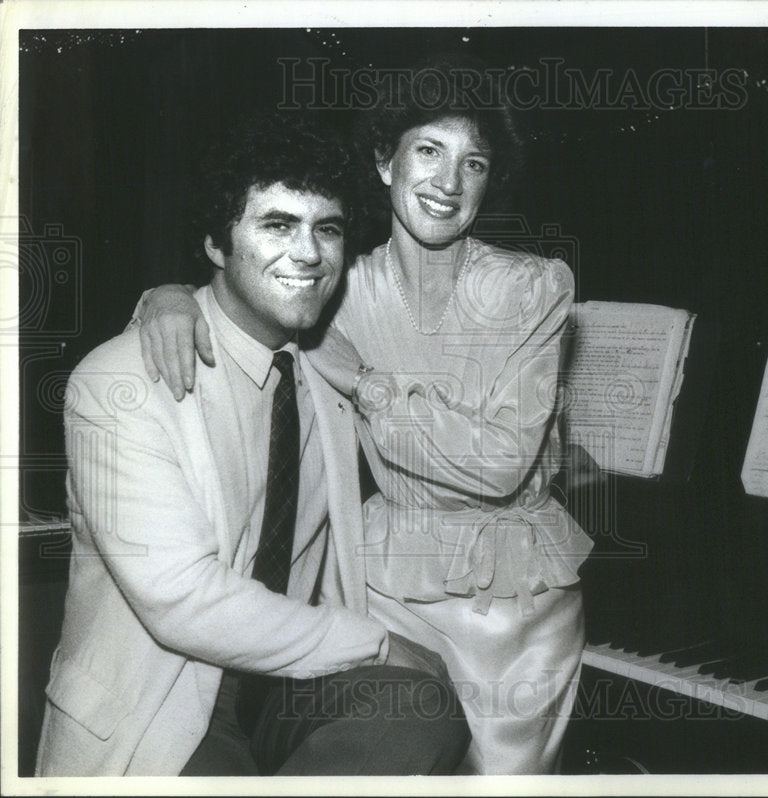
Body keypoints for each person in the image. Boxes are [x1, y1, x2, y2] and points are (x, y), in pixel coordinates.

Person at [136, 56, 594, 775]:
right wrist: (163, 297)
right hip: (381, 585)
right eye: (429, 151)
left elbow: (502, 464)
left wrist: (369, 386)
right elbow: (236, 296)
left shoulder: (533, 288)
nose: (449, 183)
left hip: (513, 599)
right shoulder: (336, 285)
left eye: (473, 163)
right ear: (385, 162)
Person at [35, 113, 470, 777]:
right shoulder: (118, 383)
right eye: (277, 225)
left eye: (327, 229)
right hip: (165, 698)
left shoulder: (323, 366)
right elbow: (181, 598)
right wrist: (377, 644)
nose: (309, 253)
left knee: (422, 709)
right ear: (216, 244)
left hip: (283, 685)